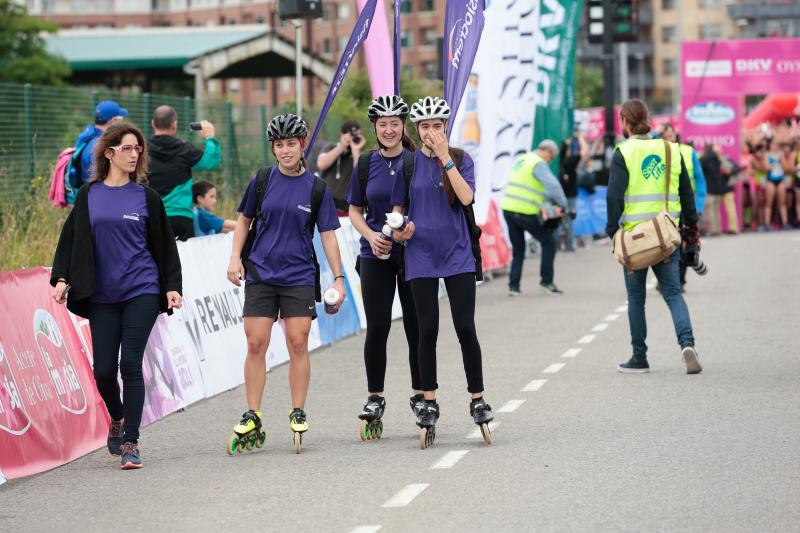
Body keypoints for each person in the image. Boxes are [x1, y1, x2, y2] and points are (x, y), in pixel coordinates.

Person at [50, 123, 183, 469]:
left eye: (138, 149)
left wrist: (171, 286)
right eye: (127, 148)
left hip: (141, 288)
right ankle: (119, 417)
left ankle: (131, 442)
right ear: (109, 153)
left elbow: (165, 245)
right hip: (102, 295)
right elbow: (70, 239)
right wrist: (61, 277)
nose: (134, 154)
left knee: (130, 364)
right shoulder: (89, 195)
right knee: (104, 371)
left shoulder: (147, 198)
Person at [225, 113, 345, 454]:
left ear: (302, 144)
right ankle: (253, 414)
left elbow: (328, 237)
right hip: (261, 273)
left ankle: (297, 410)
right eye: (279, 145)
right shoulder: (261, 180)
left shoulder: (316, 188)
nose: (285, 150)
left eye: (291, 143)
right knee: (256, 343)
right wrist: (235, 257)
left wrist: (338, 277)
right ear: (273, 148)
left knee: (297, 342)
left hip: (299, 276)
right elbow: (244, 220)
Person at [390, 96, 493, 447]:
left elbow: (466, 199)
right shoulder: (408, 165)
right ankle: (429, 403)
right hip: (420, 255)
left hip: (457, 253)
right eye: (424, 127)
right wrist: (399, 228)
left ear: (445, 127)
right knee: (426, 330)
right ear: (416, 131)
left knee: (465, 327)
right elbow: (398, 211)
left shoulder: (461, 159)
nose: (430, 132)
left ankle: (477, 398)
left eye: (436, 125)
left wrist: (445, 157)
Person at [606, 99, 702, 375]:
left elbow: (614, 197)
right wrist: (691, 232)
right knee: (672, 292)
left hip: (635, 239)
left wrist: (612, 231)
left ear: (625, 121)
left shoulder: (622, 152)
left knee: (636, 298)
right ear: (647, 120)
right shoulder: (672, 149)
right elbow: (687, 195)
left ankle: (639, 357)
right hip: (666, 234)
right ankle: (688, 344)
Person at [346, 95, 422, 440]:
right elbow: (354, 212)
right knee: (377, 328)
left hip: (411, 254)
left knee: (416, 328)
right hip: (373, 254)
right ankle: (375, 398)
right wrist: (372, 236)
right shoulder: (365, 164)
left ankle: (422, 395)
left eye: (395, 123)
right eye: (382, 124)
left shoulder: (416, 160)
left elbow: (421, 205)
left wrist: (406, 229)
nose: (389, 129)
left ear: (403, 125)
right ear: (375, 128)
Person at [501, 140, 568, 296]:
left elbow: (532, 188)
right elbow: (553, 186)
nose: (549, 161)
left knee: (518, 250)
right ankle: (546, 282)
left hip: (508, 208)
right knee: (549, 242)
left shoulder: (523, 159)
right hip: (524, 211)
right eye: (550, 158)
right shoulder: (538, 163)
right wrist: (563, 205)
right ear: (546, 151)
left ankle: (513, 287)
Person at [146, 105, 221, 241]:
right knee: (183, 261)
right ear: (174, 125)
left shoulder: (142, 152)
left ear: (153, 124)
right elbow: (211, 162)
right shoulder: (184, 149)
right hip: (181, 219)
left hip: (152, 217)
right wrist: (209, 138)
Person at [660, 124, 707, 288]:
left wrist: (698, 206)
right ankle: (670, 279)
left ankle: (679, 279)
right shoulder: (656, 155)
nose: (668, 140)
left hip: (687, 205)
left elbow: (700, 180)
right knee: (668, 245)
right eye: (664, 137)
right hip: (666, 208)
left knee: (686, 244)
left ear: (676, 135)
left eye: (670, 136)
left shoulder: (688, 152)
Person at [72, 100, 128, 185]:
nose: (122, 123)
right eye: (120, 119)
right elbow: (101, 181)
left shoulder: (88, 137)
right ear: (113, 121)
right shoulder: (100, 146)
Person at [317, 119, 367, 215]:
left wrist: (355, 150)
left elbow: (359, 176)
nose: (354, 137)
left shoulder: (361, 156)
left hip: (349, 208)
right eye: (351, 135)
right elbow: (321, 164)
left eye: (357, 135)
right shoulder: (331, 147)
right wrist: (341, 147)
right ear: (342, 135)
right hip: (328, 205)